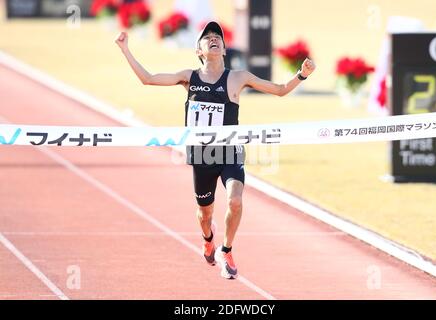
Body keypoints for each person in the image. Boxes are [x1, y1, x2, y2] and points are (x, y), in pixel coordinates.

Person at [115, 21, 316, 279]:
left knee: (235, 200)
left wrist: (302, 75)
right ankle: (207, 238)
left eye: (217, 37)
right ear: (199, 50)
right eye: (207, 37)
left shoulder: (238, 77)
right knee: (205, 213)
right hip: (202, 156)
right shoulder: (189, 77)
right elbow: (148, 79)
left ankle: (226, 249)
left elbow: (278, 90)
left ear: (223, 49)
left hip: (230, 151)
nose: (214, 39)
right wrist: (125, 49)